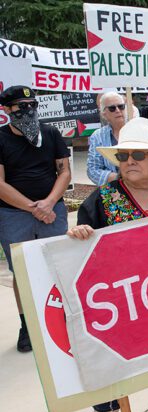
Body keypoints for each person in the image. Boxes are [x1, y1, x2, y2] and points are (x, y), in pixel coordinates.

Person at [67, 117, 148, 412]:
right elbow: (80, 260)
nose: (129, 161)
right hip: (114, 307)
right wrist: (77, 236)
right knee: (109, 374)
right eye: (123, 156)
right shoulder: (100, 202)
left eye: (138, 154)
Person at [0, 85, 71, 352]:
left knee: (56, 265)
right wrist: (34, 208)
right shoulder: (1, 138)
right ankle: (27, 324)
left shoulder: (51, 133)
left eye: (32, 106)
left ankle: (59, 316)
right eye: (21, 106)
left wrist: (50, 202)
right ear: (7, 110)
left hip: (53, 211)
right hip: (14, 215)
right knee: (23, 271)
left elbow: (64, 172)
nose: (28, 111)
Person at [87, 92, 127, 185]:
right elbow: (92, 170)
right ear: (104, 113)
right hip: (113, 189)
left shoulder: (138, 130)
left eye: (121, 106)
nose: (118, 110)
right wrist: (119, 178)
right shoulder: (98, 136)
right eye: (112, 108)